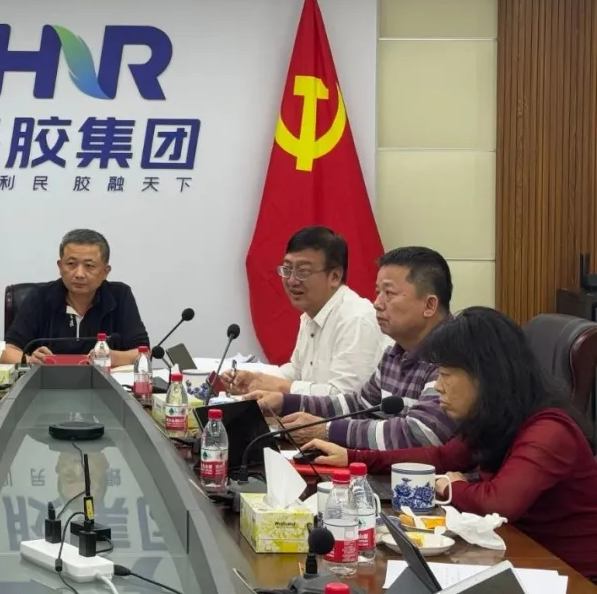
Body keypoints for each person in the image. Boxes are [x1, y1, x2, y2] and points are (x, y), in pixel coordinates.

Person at [301, 307, 597, 580]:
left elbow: (499, 503)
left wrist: (449, 487)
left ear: (485, 376)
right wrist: (354, 458)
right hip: (517, 557)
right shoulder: (497, 417)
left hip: (569, 578)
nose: (438, 387)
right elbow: (442, 457)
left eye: (444, 375)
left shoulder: (549, 431)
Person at [238, 246, 457, 449]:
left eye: (389, 294)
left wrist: (327, 430)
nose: (377, 303)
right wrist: (286, 403)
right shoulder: (395, 353)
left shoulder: (453, 354)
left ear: (429, 305)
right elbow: (360, 405)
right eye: (378, 292)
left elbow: (421, 433)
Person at [220, 226, 387, 396]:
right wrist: (255, 379)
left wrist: (282, 387)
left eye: (303, 272)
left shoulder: (356, 319)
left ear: (335, 276)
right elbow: (297, 372)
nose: (292, 281)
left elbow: (346, 397)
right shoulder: (311, 315)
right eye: (287, 269)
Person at [0, 229, 150, 367]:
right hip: (49, 383)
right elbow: (6, 351)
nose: (79, 274)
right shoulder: (39, 296)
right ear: (60, 267)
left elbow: (143, 352)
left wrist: (113, 357)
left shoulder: (120, 296)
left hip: (104, 382)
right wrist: (28, 360)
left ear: (105, 271)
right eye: (71, 264)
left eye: (89, 266)